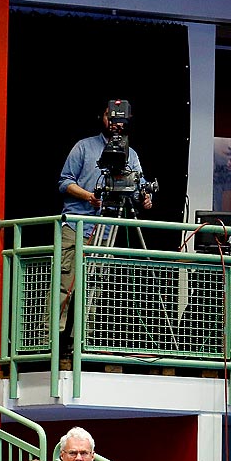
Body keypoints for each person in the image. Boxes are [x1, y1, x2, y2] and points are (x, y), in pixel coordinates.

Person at [56, 101, 151, 331]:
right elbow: (64, 182)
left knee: (94, 286)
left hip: (107, 230)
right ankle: (54, 342)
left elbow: (139, 187)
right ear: (103, 117)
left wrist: (145, 197)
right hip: (77, 227)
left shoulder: (132, 155)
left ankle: (83, 340)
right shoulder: (84, 147)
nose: (115, 122)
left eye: (120, 118)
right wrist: (89, 196)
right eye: (111, 116)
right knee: (64, 285)